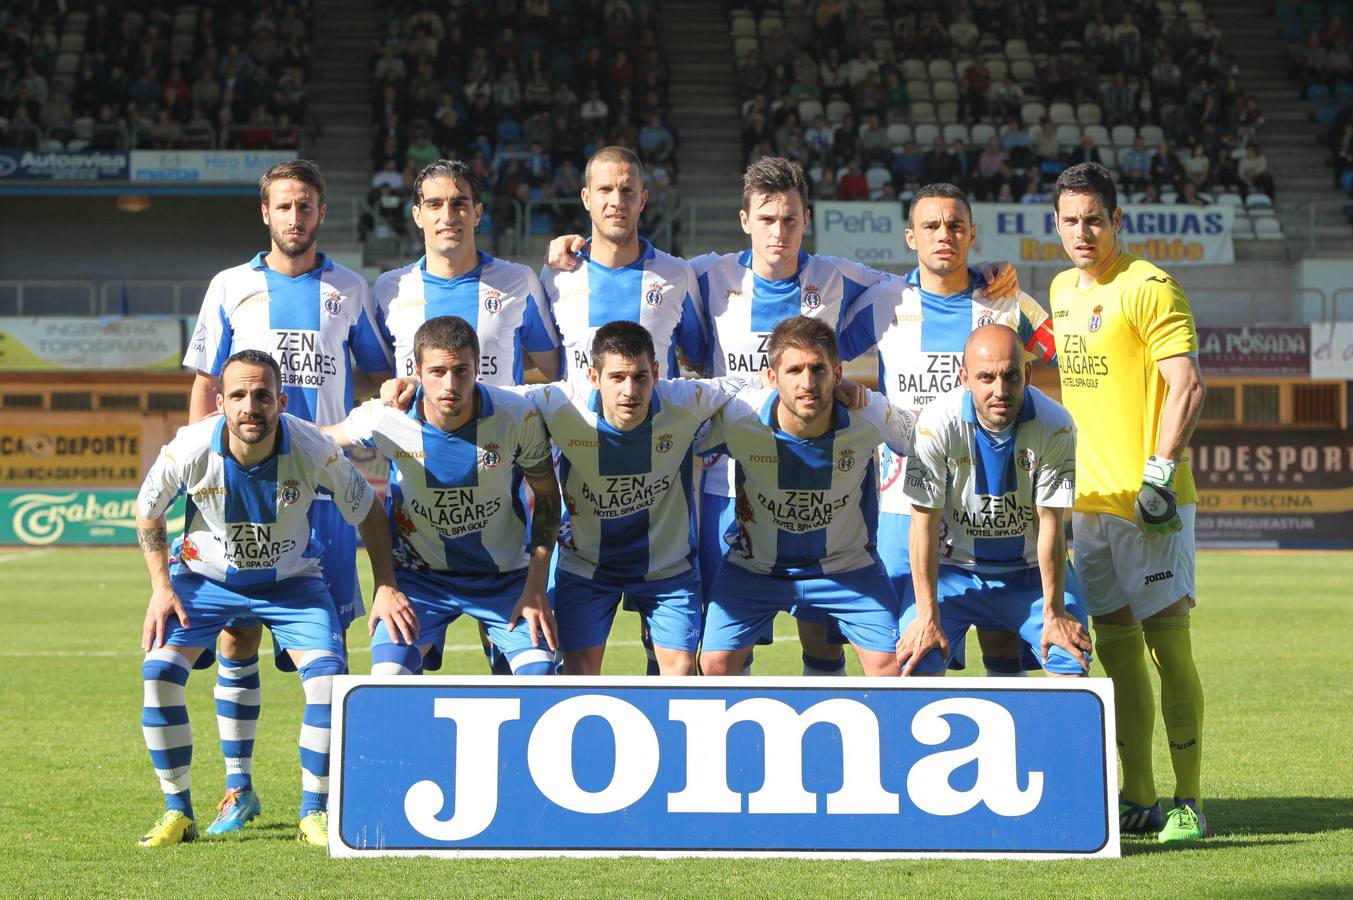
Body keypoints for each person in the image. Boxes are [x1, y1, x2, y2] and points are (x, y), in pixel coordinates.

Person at [181, 159, 392, 836]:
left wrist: (356, 437)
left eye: (305, 207)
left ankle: (321, 798)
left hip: (324, 498)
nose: (294, 219)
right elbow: (207, 386)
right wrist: (197, 471)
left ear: (320, 212)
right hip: (241, 494)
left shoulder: (350, 290)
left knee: (324, 645)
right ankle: (237, 790)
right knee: (239, 636)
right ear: (264, 214)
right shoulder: (230, 286)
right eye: (283, 207)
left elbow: (381, 377)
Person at [134, 351, 403, 848]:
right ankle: (178, 813)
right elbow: (148, 512)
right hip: (204, 579)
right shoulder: (190, 447)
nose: (250, 406)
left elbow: (368, 509)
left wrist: (385, 582)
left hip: (292, 584)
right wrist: (160, 587)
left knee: (327, 680)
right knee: (158, 674)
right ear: (221, 403)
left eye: (261, 395)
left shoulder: (312, 446)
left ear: (280, 401)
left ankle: (314, 812)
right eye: (237, 395)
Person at [838, 183, 1057, 677]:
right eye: (932, 226)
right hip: (902, 507)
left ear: (972, 235)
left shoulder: (1006, 301)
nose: (945, 235)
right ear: (910, 237)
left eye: (956, 225)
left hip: (992, 505)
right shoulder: (884, 302)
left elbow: (1072, 355)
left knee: (1002, 644)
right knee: (912, 658)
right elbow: (823, 359)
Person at [1049, 162, 1208, 843]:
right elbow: (1075, 350)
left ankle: (1189, 802)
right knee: (1116, 654)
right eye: (1069, 220)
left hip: (1148, 504)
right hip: (1089, 504)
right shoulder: (1059, 289)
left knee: (1168, 651)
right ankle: (1138, 797)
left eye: (1093, 218)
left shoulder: (1148, 286)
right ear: (1055, 226)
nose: (1082, 232)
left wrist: (1158, 475)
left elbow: (1187, 385)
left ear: (1117, 221)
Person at [323, 316, 561, 677]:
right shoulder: (386, 418)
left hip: (505, 579)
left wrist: (536, 589)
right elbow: (319, 437)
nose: (450, 383)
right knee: (386, 682)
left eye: (461, 370)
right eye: (437, 371)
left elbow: (546, 494)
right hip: (420, 580)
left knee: (539, 678)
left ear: (477, 368)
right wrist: (386, 586)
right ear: (416, 371)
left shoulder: (516, 416)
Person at [519, 321, 757, 675]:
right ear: (592, 376)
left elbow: (754, 384)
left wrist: (838, 387)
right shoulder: (559, 402)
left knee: (680, 675)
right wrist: (415, 387)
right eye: (616, 377)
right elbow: (489, 399)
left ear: (656, 373)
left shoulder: (685, 399)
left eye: (640, 377)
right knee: (578, 677)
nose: (630, 390)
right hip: (588, 568)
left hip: (667, 569)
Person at [696, 316, 916, 677]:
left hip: (848, 569)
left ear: (838, 373)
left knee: (893, 668)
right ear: (771, 378)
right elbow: (672, 436)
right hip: (755, 568)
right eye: (794, 370)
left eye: (818, 369)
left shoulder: (869, 415)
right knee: (714, 664)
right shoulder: (739, 417)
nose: (808, 382)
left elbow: (931, 439)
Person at [894, 325, 1091, 678]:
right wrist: (926, 616)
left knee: (1069, 657)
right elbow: (922, 526)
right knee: (915, 660)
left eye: (1010, 376)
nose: (1000, 390)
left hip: (1027, 573)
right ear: (965, 378)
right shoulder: (935, 425)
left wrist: (1055, 611)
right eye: (986, 377)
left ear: (1027, 374)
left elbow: (1050, 525)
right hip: (953, 571)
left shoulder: (1056, 424)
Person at [373, 160, 560, 385]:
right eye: (434, 204)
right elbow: (375, 376)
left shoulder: (519, 281)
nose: (448, 217)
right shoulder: (390, 288)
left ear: (478, 213)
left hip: (500, 421)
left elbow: (555, 368)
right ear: (417, 215)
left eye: (459, 204)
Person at [539, 145, 706, 383]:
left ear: (643, 199)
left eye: (627, 190)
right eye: (605, 189)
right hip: (578, 421)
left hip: (656, 420)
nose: (617, 201)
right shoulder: (556, 273)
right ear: (586, 198)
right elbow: (538, 362)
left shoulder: (677, 275)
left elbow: (700, 360)